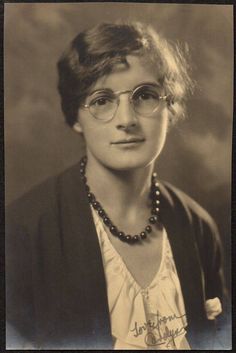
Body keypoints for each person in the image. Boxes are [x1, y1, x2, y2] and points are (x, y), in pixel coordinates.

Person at [6, 22, 226, 350]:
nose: (127, 119)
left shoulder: (198, 227)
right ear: (76, 117)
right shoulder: (21, 231)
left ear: (171, 106)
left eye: (146, 96)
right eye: (102, 100)